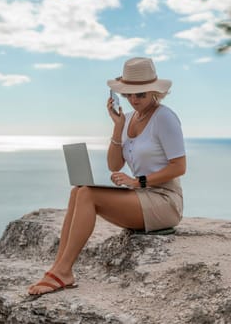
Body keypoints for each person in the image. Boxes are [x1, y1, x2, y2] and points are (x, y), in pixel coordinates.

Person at [28, 57, 186, 296]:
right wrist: (117, 126)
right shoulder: (130, 118)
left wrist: (138, 181)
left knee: (89, 195)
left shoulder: (164, 117)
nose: (134, 100)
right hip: (141, 197)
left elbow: (179, 167)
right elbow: (114, 165)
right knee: (78, 191)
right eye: (128, 95)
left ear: (154, 91)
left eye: (140, 94)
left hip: (165, 201)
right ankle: (59, 269)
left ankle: (62, 272)